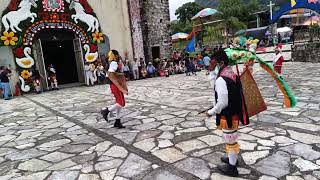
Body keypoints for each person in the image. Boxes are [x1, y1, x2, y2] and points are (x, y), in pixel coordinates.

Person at [206, 49, 249, 177]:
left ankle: (232, 167)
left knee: (230, 141)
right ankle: (232, 159)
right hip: (234, 112)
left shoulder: (221, 79)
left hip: (228, 115)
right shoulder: (231, 73)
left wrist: (211, 111)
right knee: (231, 139)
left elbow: (223, 102)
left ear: (221, 63)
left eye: (214, 64)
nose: (211, 66)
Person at [101, 50, 128, 129]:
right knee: (121, 103)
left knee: (119, 102)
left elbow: (108, 73)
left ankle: (117, 121)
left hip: (114, 85)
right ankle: (106, 111)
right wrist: (120, 74)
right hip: (116, 85)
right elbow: (110, 73)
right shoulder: (114, 63)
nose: (118, 56)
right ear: (115, 55)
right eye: (117, 54)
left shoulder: (111, 63)